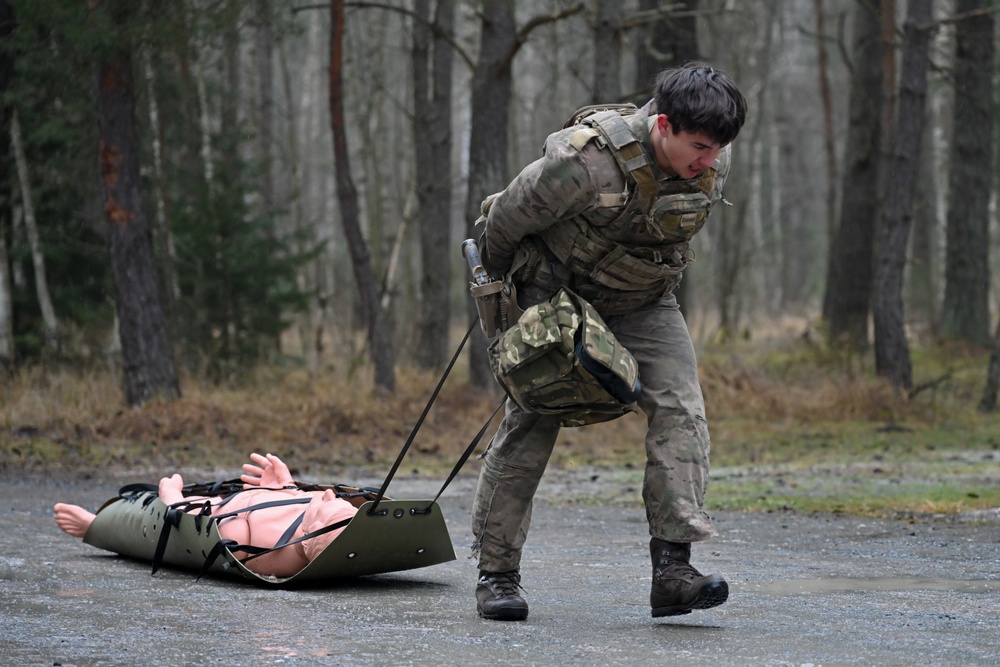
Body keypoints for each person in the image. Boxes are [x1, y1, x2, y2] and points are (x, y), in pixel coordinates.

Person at [471, 62, 747, 621]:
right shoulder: (584, 164)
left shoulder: (713, 155)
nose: (709, 160)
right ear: (663, 124)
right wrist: (506, 308)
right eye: (698, 146)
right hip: (558, 293)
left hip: (645, 299)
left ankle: (673, 570)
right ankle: (496, 575)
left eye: (718, 149)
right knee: (533, 417)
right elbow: (502, 224)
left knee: (682, 409)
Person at [54, 452, 358, 577]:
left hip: (215, 510)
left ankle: (94, 526)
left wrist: (173, 500)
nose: (326, 495)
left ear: (310, 533)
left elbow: (201, 530)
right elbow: (312, 503)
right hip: (251, 498)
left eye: (322, 505)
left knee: (149, 522)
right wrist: (285, 486)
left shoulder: (269, 549)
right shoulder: (314, 510)